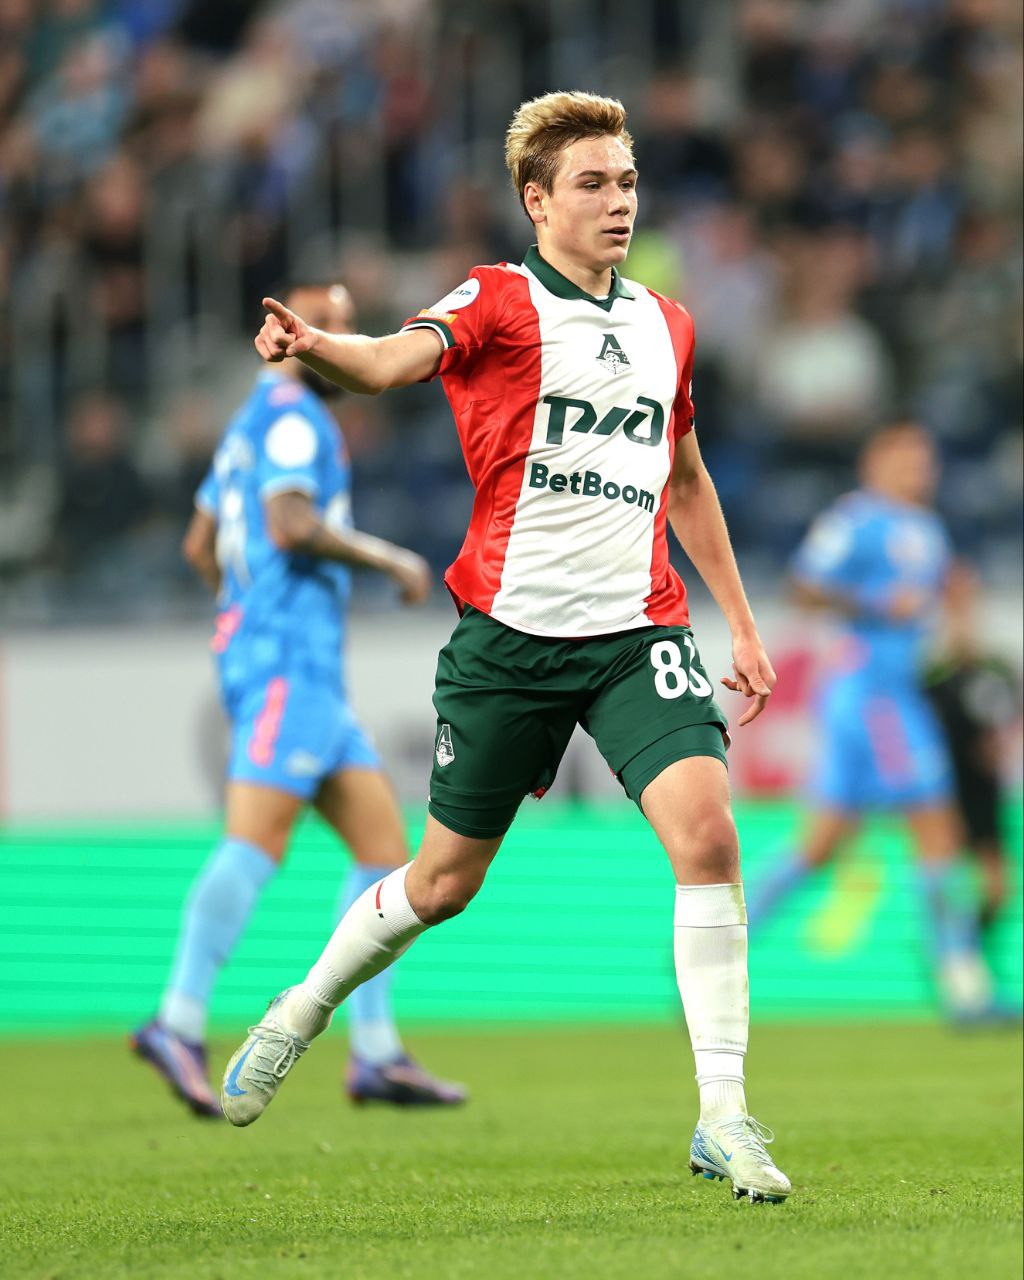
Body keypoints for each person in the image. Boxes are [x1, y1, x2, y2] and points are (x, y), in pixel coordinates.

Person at [221, 92, 791, 1204]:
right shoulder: (496, 297)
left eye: (627, 182)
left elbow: (683, 477)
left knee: (709, 835)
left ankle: (724, 1115)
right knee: (442, 883)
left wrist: (741, 619)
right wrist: (315, 346)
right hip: (510, 641)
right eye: (593, 183)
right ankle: (301, 1008)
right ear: (536, 200)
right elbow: (389, 363)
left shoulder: (668, 324)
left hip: (636, 631)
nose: (618, 202)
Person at [131, 280, 467, 1116]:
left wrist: (241, 613)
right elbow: (288, 523)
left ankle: (376, 1053)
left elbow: (201, 543)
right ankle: (177, 1021)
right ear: (294, 339)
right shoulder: (295, 420)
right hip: (289, 663)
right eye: (333, 329)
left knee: (386, 851)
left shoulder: (246, 424)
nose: (344, 344)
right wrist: (389, 560)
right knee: (256, 840)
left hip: (291, 663)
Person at [746, 423, 997, 1018]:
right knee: (937, 828)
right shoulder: (855, 520)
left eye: (925, 460)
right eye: (907, 459)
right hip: (873, 694)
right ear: (874, 463)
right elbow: (803, 587)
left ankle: (714, 949)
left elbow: (938, 598)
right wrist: (877, 604)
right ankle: (964, 987)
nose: (920, 470)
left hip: (886, 691)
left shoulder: (927, 528)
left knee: (819, 844)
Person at [924, 562, 1020, 934]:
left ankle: (968, 946)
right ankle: (952, 951)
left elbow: (1008, 720)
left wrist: (1000, 745)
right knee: (943, 877)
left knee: (997, 889)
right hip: (941, 787)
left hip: (982, 787)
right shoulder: (929, 671)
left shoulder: (996, 668)